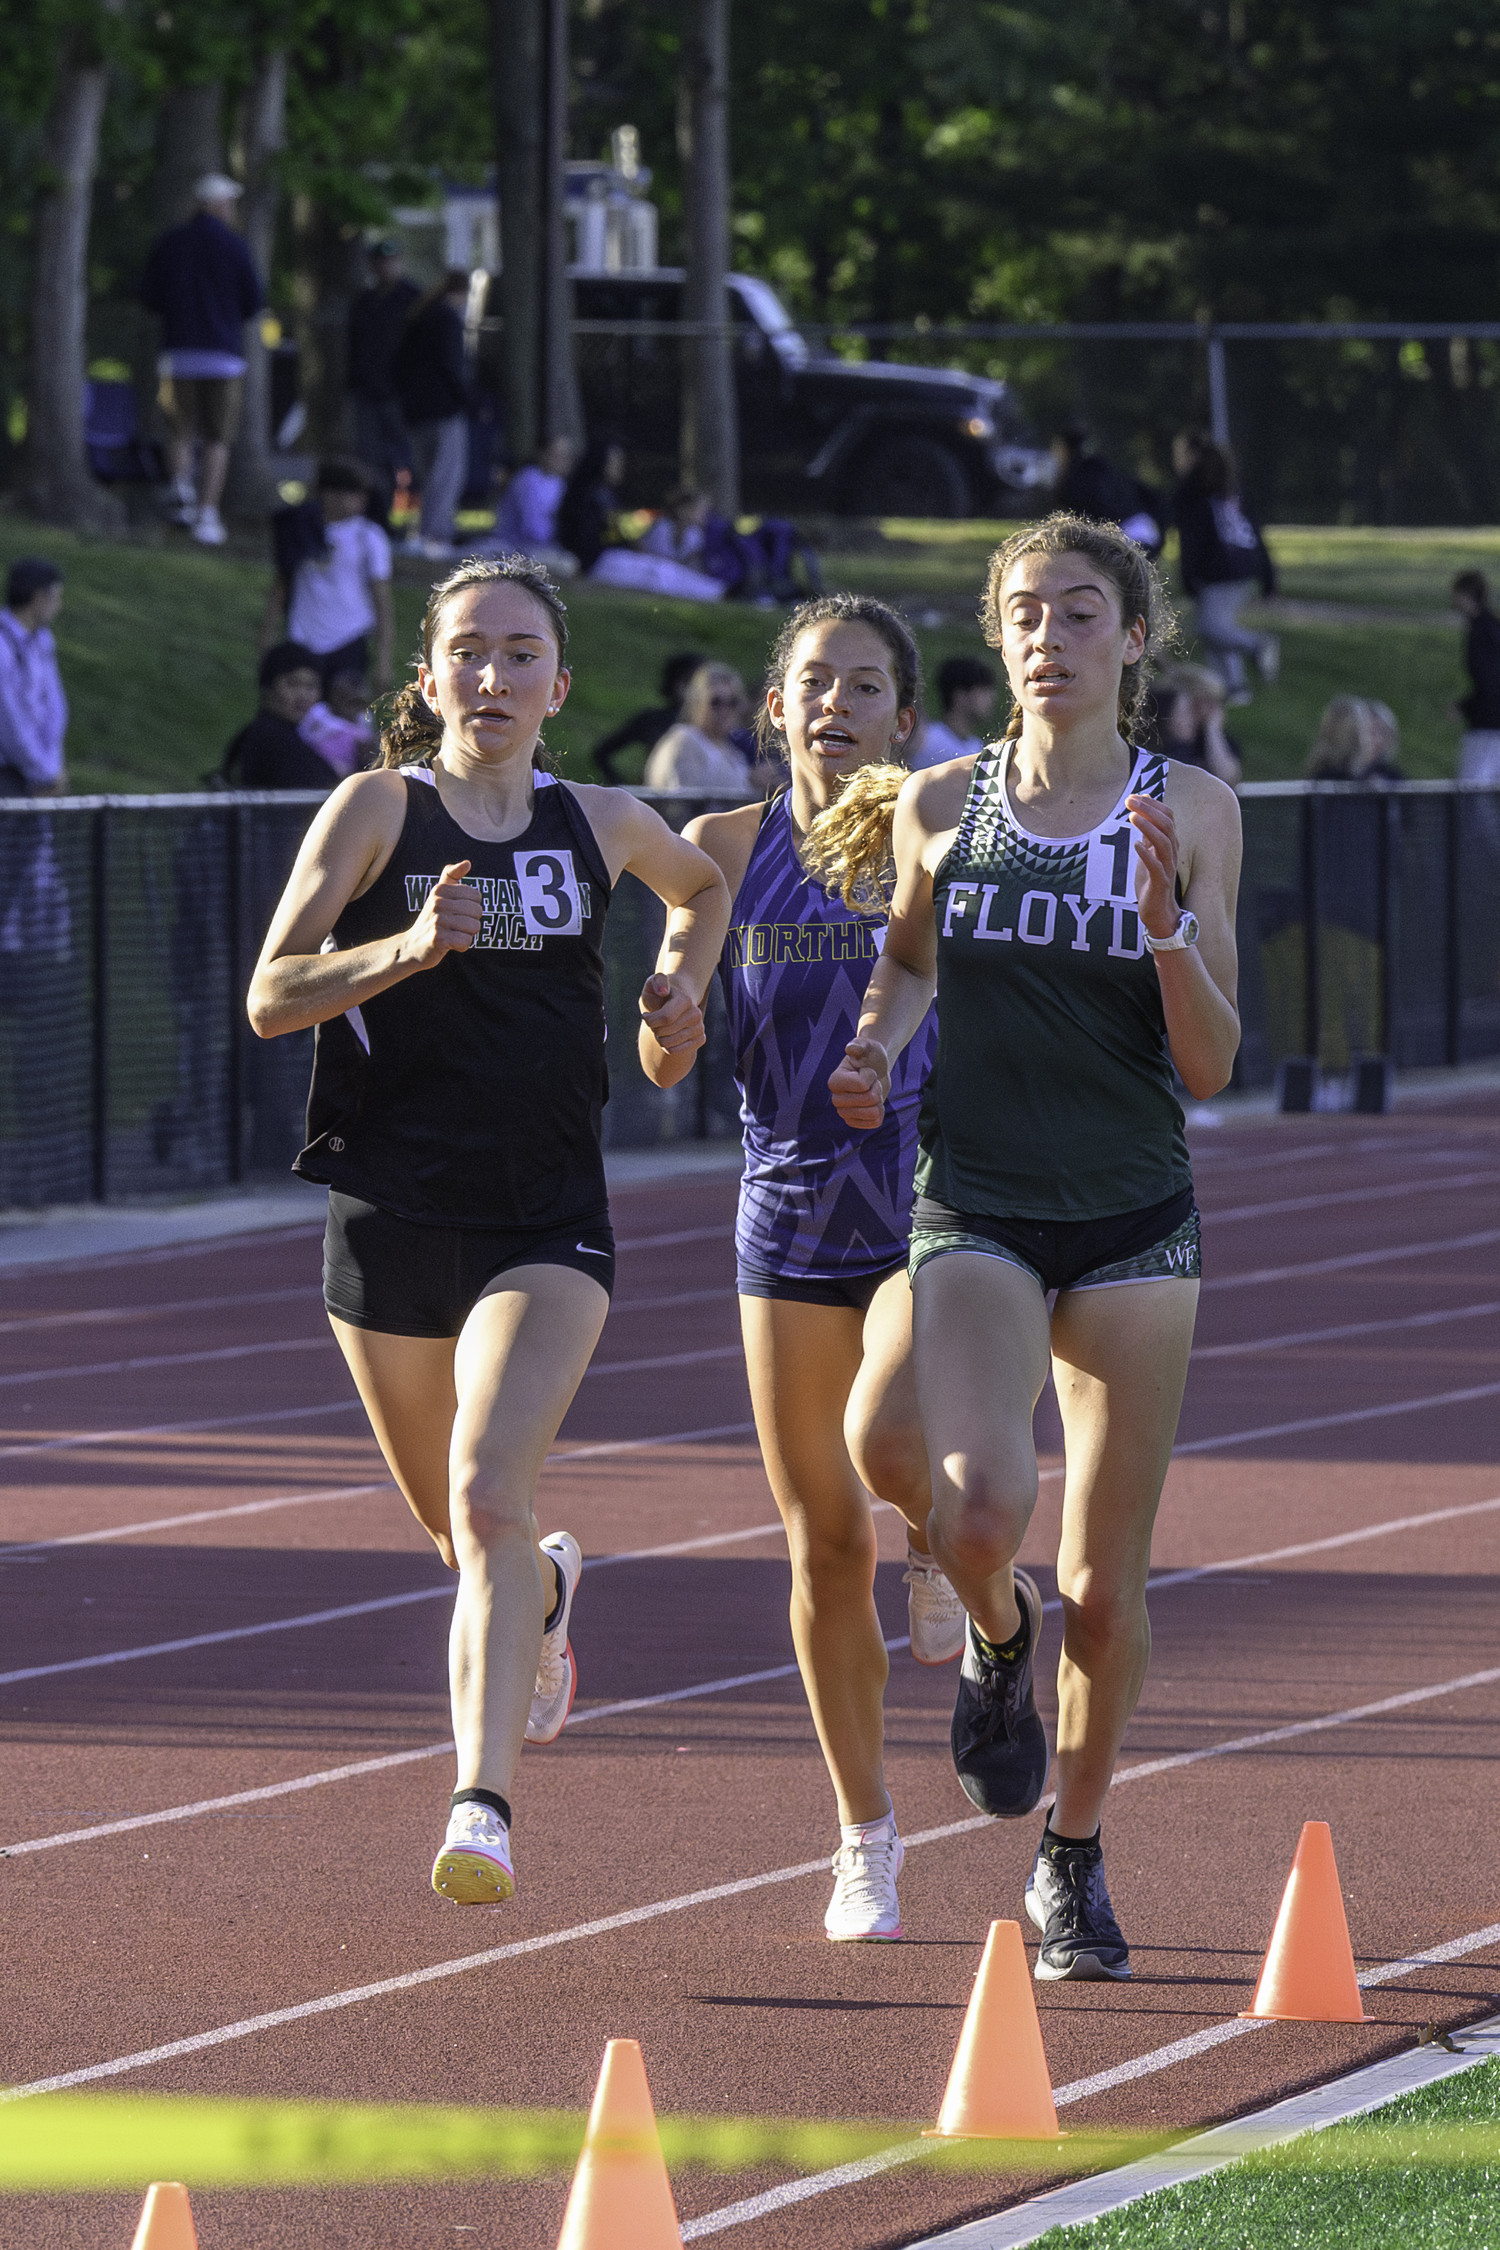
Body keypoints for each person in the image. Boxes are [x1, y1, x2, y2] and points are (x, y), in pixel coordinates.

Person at [245, 556, 730, 1905]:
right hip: (390, 1215)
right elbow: (272, 992)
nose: (494, 676)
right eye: (469, 651)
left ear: (559, 684)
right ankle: (550, 1600)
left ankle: (483, 1804)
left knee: (486, 1495)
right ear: (429, 675)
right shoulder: (376, 810)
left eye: (522, 654)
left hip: (547, 1218)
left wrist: (674, 990)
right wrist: (403, 948)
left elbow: (700, 889)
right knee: (471, 1545)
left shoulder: (602, 819)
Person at [828, 512, 1241, 1981]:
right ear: (994, 637)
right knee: (982, 1515)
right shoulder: (939, 803)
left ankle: (1072, 1853)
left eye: (1079, 614)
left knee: (1113, 1587)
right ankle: (997, 1639)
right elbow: (910, 956)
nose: (1048, 639)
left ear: (1135, 640)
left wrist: (1163, 930)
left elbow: (1211, 1064)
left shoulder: (1187, 807)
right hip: (982, 1198)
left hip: (1133, 1212)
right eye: (1023, 614)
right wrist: (877, 1042)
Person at [683, 593, 960, 1943]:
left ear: (904, 717)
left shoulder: (936, 833)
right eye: (815, 684)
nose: (837, 706)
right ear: (774, 707)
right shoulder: (722, 849)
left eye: (865, 686)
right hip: (783, 1221)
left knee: (889, 1437)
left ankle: (942, 1530)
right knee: (818, 1541)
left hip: (922, 1205)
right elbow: (667, 1040)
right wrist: (667, 1019)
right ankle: (866, 1835)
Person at [141, 173, 266, 548]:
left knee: (178, 428)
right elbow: (253, 301)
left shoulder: (171, 242)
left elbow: (150, 296)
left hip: (178, 352)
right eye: (227, 202)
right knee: (217, 436)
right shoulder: (235, 245)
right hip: (223, 356)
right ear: (215, 204)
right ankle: (207, 513)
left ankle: (181, 495)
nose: (231, 209)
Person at [262, 458, 394, 693]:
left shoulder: (369, 536)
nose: (360, 500)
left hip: (349, 639)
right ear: (327, 493)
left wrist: (383, 660)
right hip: (302, 637)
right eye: (350, 493)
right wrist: (267, 637)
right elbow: (281, 583)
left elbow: (381, 598)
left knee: (344, 714)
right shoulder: (298, 527)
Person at [1171, 430, 1278, 707]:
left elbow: (1191, 540)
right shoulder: (1230, 494)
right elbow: (1255, 534)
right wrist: (1268, 576)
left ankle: (1256, 645)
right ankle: (1234, 688)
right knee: (1218, 628)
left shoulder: (1191, 496)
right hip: (1244, 567)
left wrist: (1188, 576)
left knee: (1210, 626)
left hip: (1220, 571)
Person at [392, 269, 473, 557]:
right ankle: (434, 534)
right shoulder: (448, 320)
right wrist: (468, 401)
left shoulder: (418, 318)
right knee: (446, 474)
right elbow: (452, 366)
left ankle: (422, 532)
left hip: (417, 411)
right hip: (444, 410)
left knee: (427, 475)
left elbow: (399, 365)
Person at [346, 240, 420, 531]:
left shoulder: (413, 299)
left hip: (400, 395)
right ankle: (379, 517)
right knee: (371, 460)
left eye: (390, 260)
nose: (384, 266)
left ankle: (414, 524)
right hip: (368, 393)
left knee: (409, 461)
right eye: (379, 260)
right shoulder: (364, 301)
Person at [219, 643, 336, 789]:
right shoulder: (270, 739)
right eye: (292, 684)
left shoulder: (292, 735)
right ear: (268, 687)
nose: (303, 695)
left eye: (311, 687)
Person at [0, 558, 68, 795]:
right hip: (7, 775)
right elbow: (9, 722)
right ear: (39, 597)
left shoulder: (42, 640)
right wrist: (44, 771)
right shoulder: (3, 646)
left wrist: (51, 767)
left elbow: (54, 707)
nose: (59, 605)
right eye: (56, 597)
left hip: (39, 774)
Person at [591, 650, 705, 783]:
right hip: (657, 794)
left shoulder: (715, 726)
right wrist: (623, 787)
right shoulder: (654, 719)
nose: (694, 690)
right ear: (675, 682)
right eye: (688, 681)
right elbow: (602, 752)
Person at [644, 663, 758, 795]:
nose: (725, 710)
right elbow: (682, 801)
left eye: (733, 702)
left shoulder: (733, 751)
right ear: (696, 703)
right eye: (715, 702)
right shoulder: (684, 740)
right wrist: (749, 781)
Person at [1050, 425, 1163, 555]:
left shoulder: (1077, 480)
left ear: (1065, 449)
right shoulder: (1101, 468)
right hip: (1146, 530)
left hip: (1126, 536)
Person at [486, 435, 580, 578]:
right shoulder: (528, 479)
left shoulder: (559, 483)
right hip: (514, 547)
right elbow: (532, 528)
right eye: (557, 455)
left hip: (545, 548)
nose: (562, 461)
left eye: (565, 456)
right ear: (542, 454)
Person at [1150, 662, 1243, 785]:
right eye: (1206, 701)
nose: (1212, 710)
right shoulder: (1153, 740)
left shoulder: (1213, 741)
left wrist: (1213, 730)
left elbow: (1228, 778)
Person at [1449, 570, 1500, 791]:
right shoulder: (1491, 627)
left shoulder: (1481, 632)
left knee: (1470, 792)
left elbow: (1489, 679)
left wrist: (1465, 706)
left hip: (1488, 723)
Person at [910, 657, 998, 769]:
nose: (991, 697)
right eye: (983, 690)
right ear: (959, 695)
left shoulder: (977, 746)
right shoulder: (927, 740)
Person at [299, 671, 377, 780]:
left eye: (359, 703)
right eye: (351, 702)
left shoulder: (364, 716)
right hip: (319, 772)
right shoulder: (318, 714)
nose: (355, 709)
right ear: (334, 697)